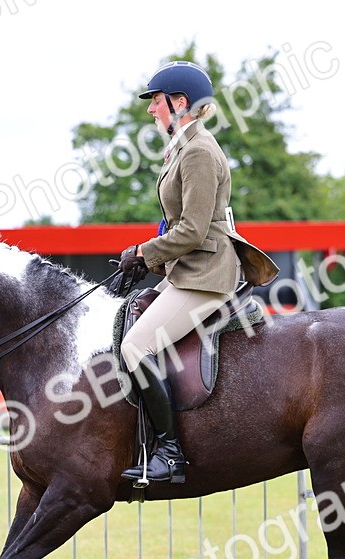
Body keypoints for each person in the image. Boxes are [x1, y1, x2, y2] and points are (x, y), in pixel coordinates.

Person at [115, 61, 279, 484]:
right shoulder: (183, 148)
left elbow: (192, 229)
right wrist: (149, 259)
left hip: (204, 274)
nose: (151, 110)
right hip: (185, 270)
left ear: (180, 102)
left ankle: (170, 455)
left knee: (136, 347)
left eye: (156, 101)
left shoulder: (200, 151)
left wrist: (143, 252)